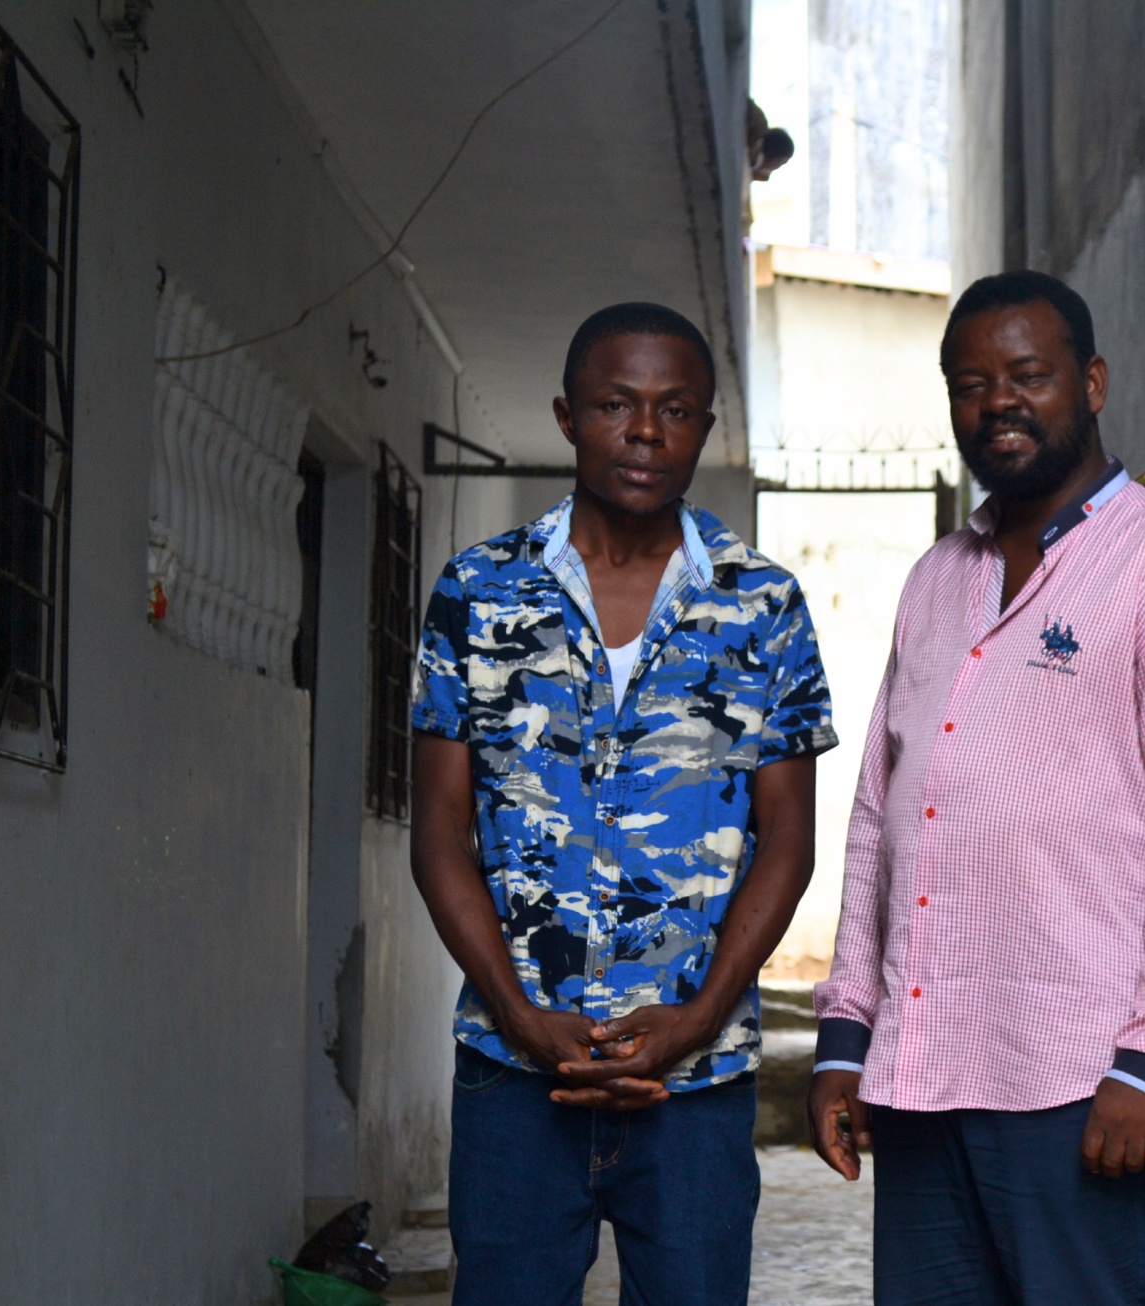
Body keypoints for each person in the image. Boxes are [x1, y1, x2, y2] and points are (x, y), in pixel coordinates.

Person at [806, 271, 1145, 1304]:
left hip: (1078, 1079)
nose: (998, 402)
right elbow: (880, 815)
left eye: (1027, 375)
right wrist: (846, 1031)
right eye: (970, 384)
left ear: (1090, 383)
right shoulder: (936, 578)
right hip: (921, 1072)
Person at [411, 302, 836, 1306]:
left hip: (694, 1090)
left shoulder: (762, 605)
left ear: (705, 429)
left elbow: (788, 840)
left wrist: (697, 1018)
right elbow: (437, 833)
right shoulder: (478, 592)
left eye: (675, 409)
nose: (645, 431)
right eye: (615, 404)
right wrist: (519, 1014)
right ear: (568, 416)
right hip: (514, 1078)